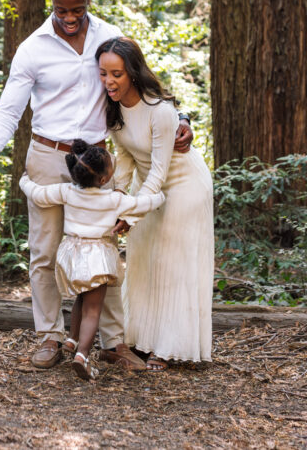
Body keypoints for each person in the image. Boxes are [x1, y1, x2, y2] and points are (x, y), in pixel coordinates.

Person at [0, 0, 193, 371]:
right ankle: (50, 336)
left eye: (77, 11)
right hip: (49, 155)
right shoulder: (32, 49)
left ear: (88, 1)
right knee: (44, 252)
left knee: (105, 250)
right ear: (52, 3)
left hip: (101, 161)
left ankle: (113, 343)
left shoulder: (108, 36)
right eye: (61, 11)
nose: (69, 19)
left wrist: (183, 118)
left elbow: (141, 83)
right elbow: (8, 113)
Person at [96, 36, 214, 370]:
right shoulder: (113, 108)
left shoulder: (159, 111)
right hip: (145, 187)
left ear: (132, 72)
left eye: (116, 74)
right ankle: (142, 340)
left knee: (172, 263)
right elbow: (125, 159)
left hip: (183, 185)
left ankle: (170, 347)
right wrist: (116, 201)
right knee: (144, 259)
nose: (109, 81)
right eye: (103, 74)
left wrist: (130, 215)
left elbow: (160, 172)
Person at [19, 140, 165, 380]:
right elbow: (144, 203)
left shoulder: (67, 191)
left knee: (81, 298)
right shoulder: (113, 199)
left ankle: (70, 340)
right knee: (93, 309)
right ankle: (83, 356)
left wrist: (24, 180)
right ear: (105, 179)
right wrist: (160, 195)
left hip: (72, 256)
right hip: (97, 257)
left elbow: (39, 195)